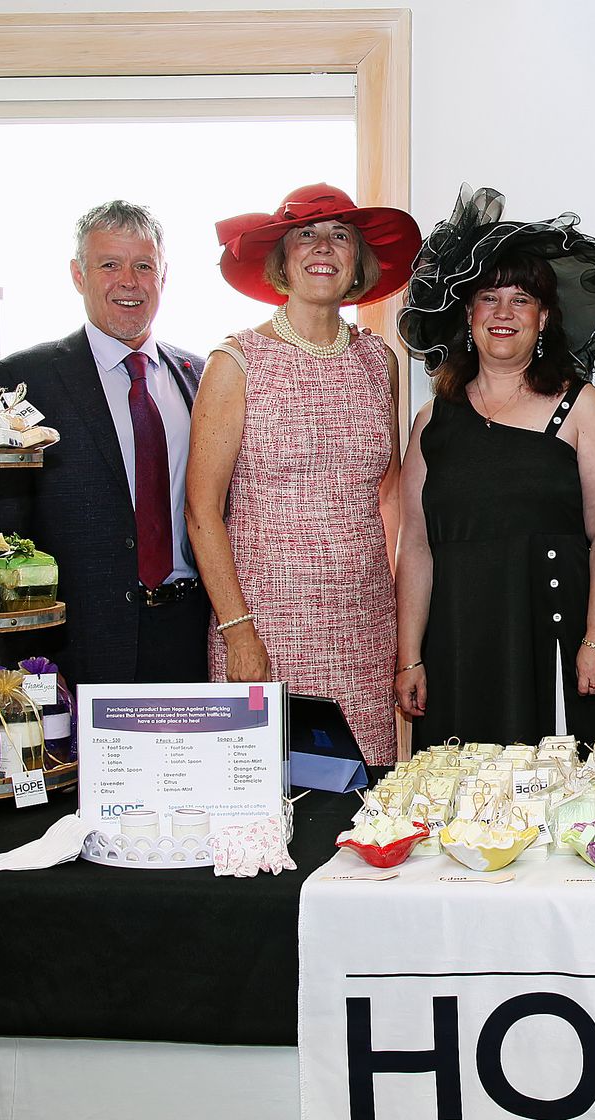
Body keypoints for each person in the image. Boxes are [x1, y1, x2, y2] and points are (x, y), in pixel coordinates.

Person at [185, 183, 422, 765]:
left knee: (363, 800)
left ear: (358, 262)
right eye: (305, 235)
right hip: (263, 626)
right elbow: (201, 512)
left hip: (365, 627)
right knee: (267, 795)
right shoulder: (236, 361)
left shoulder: (381, 361)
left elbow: (388, 495)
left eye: (340, 236)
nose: (323, 247)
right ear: (281, 261)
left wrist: (401, 631)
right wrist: (237, 630)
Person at [393, 186, 595, 749]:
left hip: (558, 642)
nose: (503, 313)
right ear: (468, 314)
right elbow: (416, 546)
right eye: (488, 298)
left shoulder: (580, 405)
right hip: (458, 644)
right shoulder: (431, 420)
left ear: (544, 318)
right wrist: (409, 657)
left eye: (521, 300)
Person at [0, 200, 206, 687]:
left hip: (191, 638)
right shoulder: (22, 380)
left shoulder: (202, 378)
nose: (129, 281)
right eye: (109, 265)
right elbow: (0, 538)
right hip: (71, 647)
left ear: (164, 276)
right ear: (78, 275)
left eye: (144, 266)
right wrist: (24, 667)